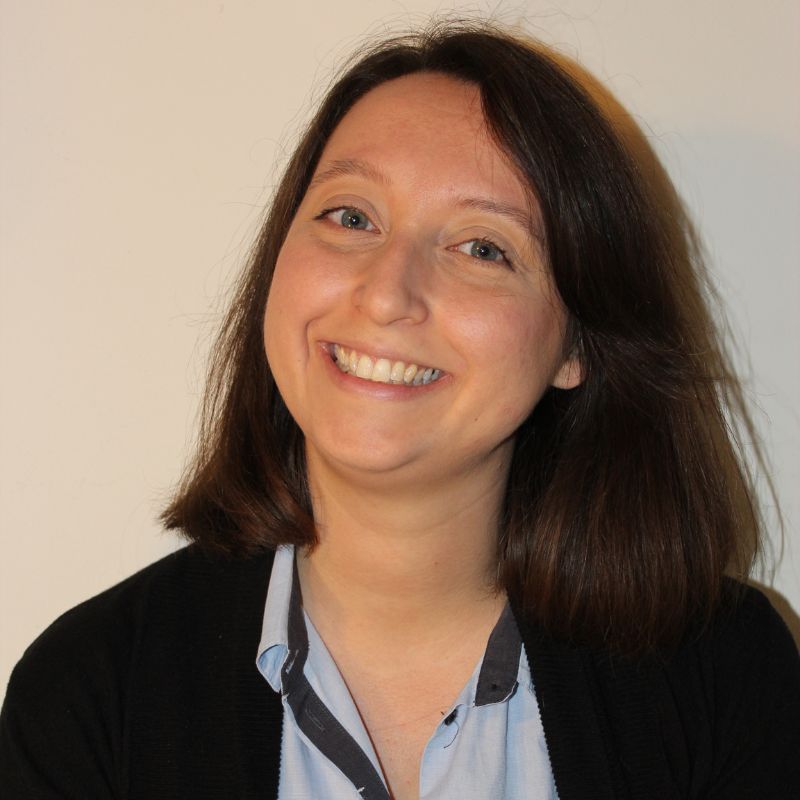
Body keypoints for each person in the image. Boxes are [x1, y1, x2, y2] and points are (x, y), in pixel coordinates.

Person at [1, 21, 798, 800]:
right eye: (351, 217)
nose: (386, 294)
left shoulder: (727, 674)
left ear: (576, 345)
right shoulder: (89, 695)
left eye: (483, 247)